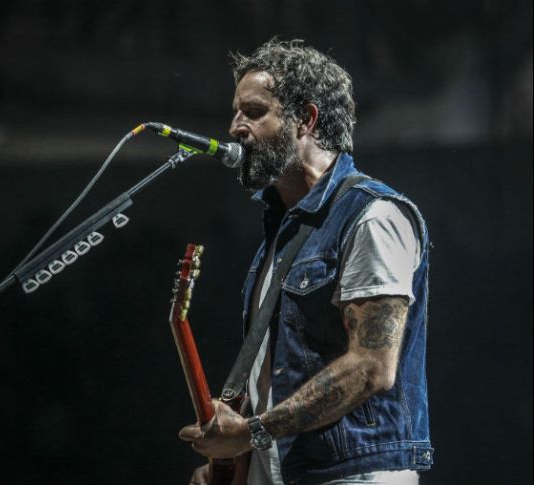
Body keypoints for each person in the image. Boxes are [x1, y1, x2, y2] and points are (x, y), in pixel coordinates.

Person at [178, 39, 434, 485]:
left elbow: (372, 367)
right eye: (236, 112)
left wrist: (251, 434)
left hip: (352, 474)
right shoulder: (284, 232)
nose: (235, 127)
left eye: (254, 112)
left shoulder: (372, 216)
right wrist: (237, 462)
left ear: (306, 120)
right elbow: (273, 378)